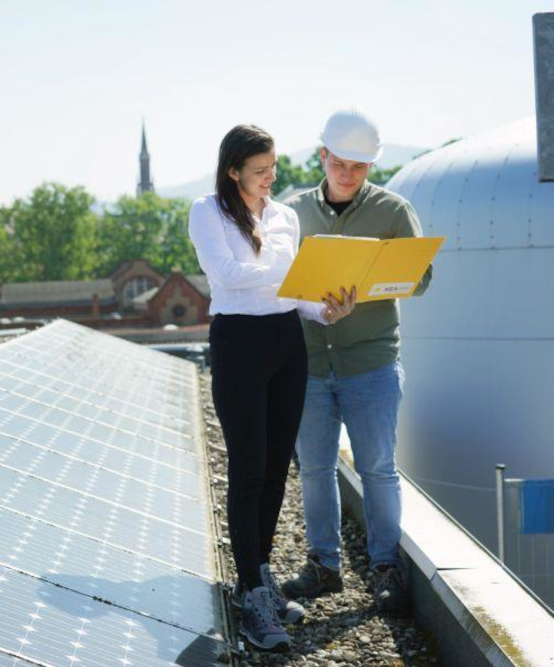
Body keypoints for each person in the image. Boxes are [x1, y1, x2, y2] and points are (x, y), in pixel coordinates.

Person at [188, 124, 356, 652]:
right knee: (248, 468)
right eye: (260, 171)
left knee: (278, 466)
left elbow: (300, 293)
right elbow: (228, 274)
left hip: (288, 339)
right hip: (239, 341)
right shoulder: (207, 211)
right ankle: (255, 592)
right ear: (233, 169)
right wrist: (289, 270)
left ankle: (256, 576)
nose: (270, 179)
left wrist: (327, 310)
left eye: (274, 169)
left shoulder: (285, 216)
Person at [281, 107, 433, 616]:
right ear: (322, 156)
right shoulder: (290, 212)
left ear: (371, 167)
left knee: (378, 470)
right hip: (307, 364)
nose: (348, 174)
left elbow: (422, 278)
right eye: (340, 162)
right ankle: (324, 567)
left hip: (371, 364)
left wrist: (365, 288)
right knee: (316, 470)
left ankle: (386, 568)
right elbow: (274, 280)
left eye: (360, 166)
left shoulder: (393, 212)